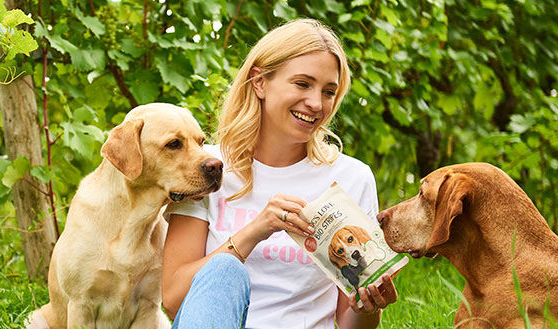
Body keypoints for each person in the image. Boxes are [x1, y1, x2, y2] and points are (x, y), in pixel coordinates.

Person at [161, 18, 398, 329]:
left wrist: (367, 306)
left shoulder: (351, 177)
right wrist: (255, 230)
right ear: (260, 82)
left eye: (329, 91)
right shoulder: (209, 169)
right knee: (224, 270)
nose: (315, 103)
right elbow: (174, 299)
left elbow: (350, 323)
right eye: (302, 84)